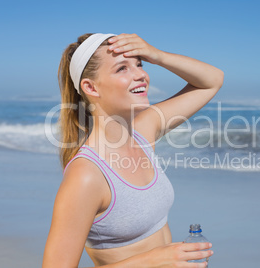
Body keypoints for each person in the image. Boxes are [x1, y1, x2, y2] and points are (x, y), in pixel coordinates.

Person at [43, 32, 224, 268]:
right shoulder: (87, 176)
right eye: (122, 69)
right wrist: (153, 260)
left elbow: (212, 80)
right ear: (91, 87)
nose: (141, 75)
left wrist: (156, 55)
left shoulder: (144, 130)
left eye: (139, 64)